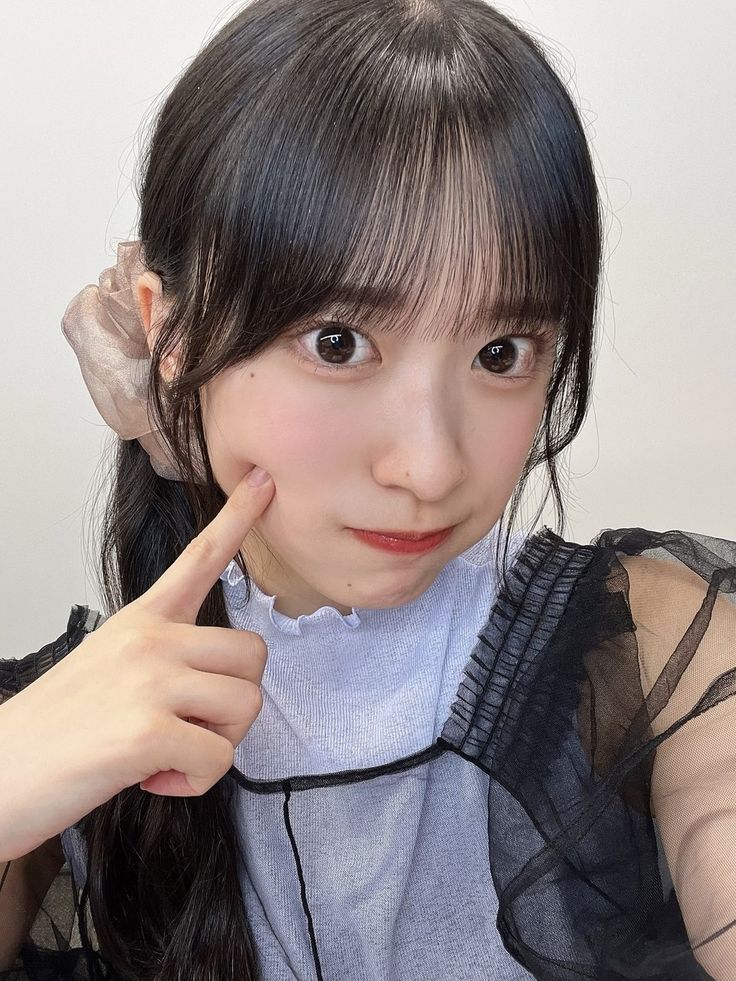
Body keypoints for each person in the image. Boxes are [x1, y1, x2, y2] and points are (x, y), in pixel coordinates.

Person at [0, 0, 734, 978]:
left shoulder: (655, 653)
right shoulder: (68, 727)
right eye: (338, 342)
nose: (429, 468)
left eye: (502, 352)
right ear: (169, 334)